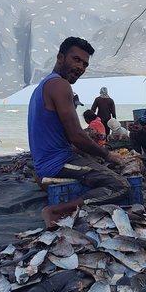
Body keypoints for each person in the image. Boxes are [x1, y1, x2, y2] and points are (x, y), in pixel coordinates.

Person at [28, 36, 129, 227]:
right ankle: (57, 210)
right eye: (76, 60)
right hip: (55, 164)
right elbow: (76, 136)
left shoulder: (45, 85)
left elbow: (67, 135)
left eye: (84, 64)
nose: (80, 67)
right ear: (60, 57)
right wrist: (109, 155)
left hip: (46, 161)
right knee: (120, 185)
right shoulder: (60, 85)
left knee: (96, 161)